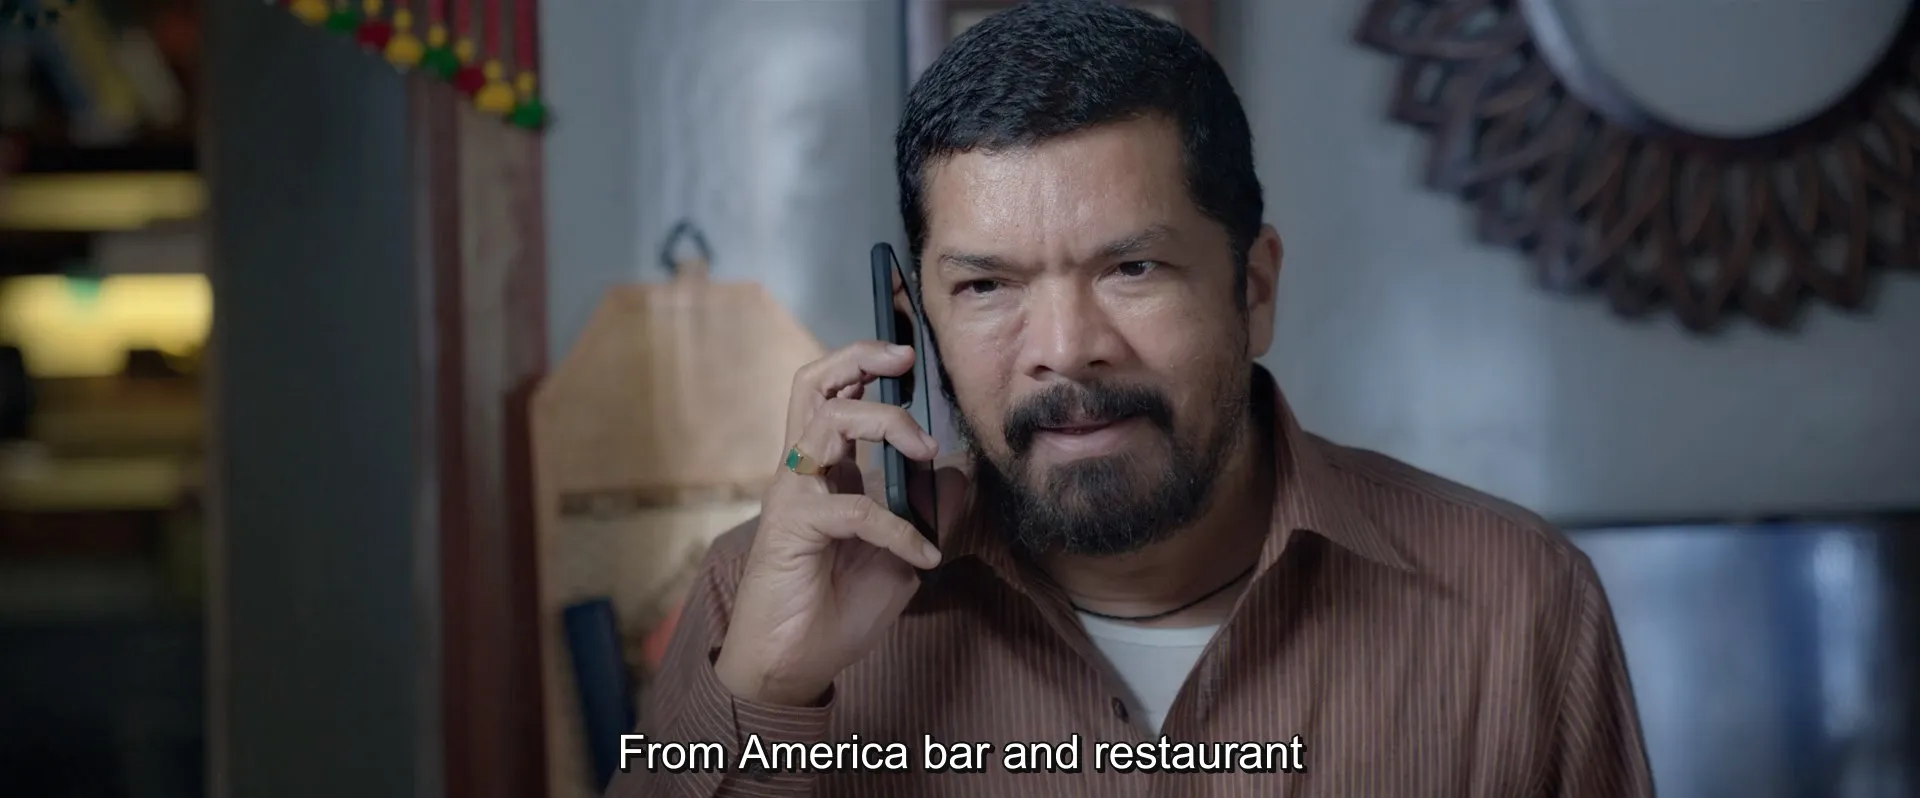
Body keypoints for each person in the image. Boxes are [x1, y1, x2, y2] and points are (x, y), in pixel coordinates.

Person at [608, 1, 1654, 795]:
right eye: (987, 287)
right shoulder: (757, 602)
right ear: (914, 326)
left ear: (1253, 290)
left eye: (1132, 269)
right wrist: (764, 694)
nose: (1066, 352)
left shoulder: (1520, 605)